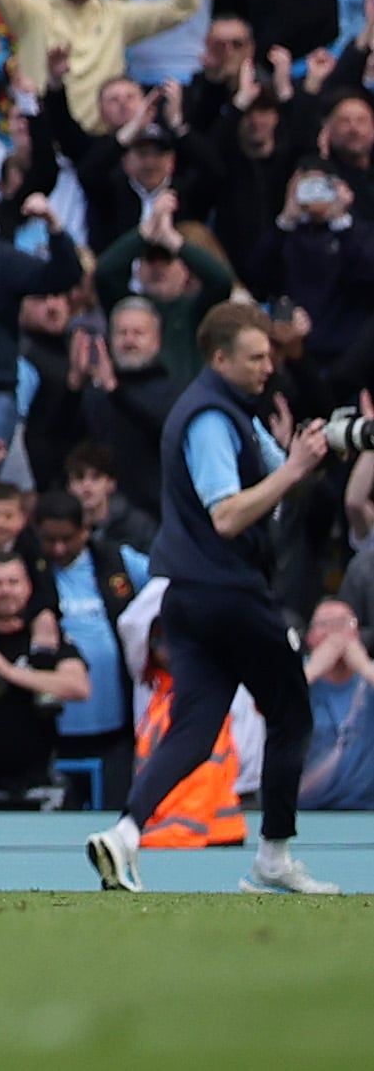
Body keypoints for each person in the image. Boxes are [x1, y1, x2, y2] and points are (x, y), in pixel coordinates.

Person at [88, 305, 348, 896]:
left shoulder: (232, 411)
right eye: (256, 357)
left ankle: (124, 834)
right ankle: (273, 856)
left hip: (187, 597)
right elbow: (228, 515)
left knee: (194, 727)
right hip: (227, 591)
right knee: (291, 713)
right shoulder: (209, 416)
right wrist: (293, 469)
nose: (267, 367)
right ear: (220, 357)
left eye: (269, 356)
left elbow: (283, 485)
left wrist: (308, 452)